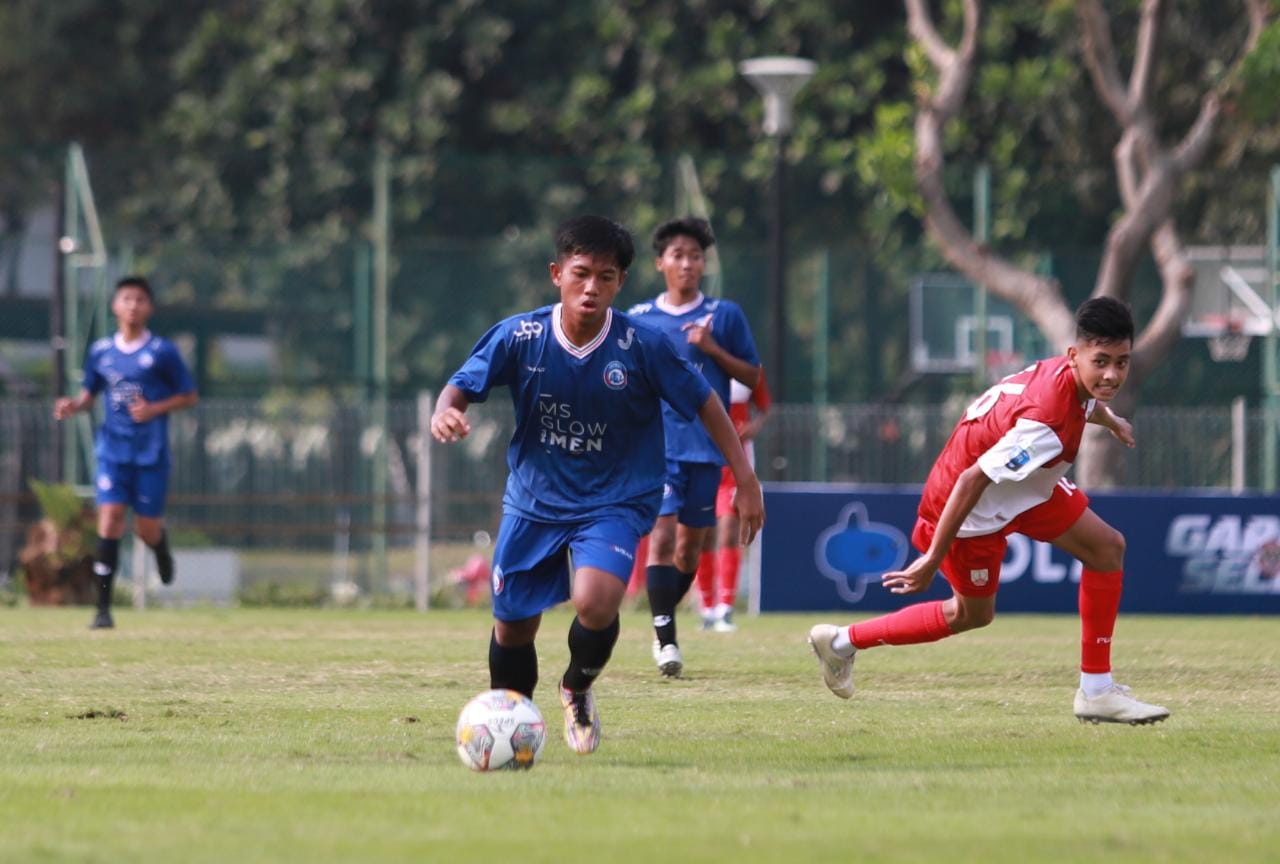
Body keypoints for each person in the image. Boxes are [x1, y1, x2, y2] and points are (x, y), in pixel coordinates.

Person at [431, 215, 763, 755]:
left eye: (605, 277)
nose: (592, 288)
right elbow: (460, 386)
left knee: (597, 600)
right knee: (513, 626)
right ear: (556, 273)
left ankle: (577, 688)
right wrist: (444, 413)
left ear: (620, 283)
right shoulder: (522, 335)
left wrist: (745, 479)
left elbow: (706, 401)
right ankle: (510, 726)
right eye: (581, 274)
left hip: (615, 497)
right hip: (534, 498)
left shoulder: (642, 344)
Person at [809, 297, 1169, 725]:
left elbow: (1085, 402)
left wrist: (1111, 421)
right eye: (1102, 362)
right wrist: (932, 559)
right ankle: (842, 642)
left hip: (1024, 489)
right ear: (1076, 355)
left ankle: (1096, 691)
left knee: (1108, 548)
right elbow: (971, 480)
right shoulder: (1045, 426)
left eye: (1122, 363)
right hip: (970, 512)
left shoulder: (1064, 373)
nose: (1112, 374)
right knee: (971, 615)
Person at [628, 217, 762, 677]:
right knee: (661, 539)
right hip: (659, 449)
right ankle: (666, 638)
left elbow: (752, 378)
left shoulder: (724, 315)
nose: (687, 263)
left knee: (689, 551)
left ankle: (664, 614)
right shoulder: (641, 320)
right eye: (678, 255)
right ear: (660, 263)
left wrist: (713, 348)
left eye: (696, 256)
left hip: (707, 451)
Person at [53, 276, 199, 629]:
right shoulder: (101, 351)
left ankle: (160, 548)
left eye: (140, 300)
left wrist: (153, 409)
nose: (133, 305)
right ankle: (103, 610)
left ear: (149, 308)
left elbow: (189, 395)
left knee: (146, 529)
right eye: (126, 299)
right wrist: (75, 405)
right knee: (111, 518)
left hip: (150, 453)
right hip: (113, 452)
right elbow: (90, 394)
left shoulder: (162, 352)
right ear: (115, 306)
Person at [695, 371, 772, 632]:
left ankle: (725, 608)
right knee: (702, 533)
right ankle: (706, 608)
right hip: (701, 458)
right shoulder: (697, 359)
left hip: (735, 465)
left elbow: (764, 407)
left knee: (728, 530)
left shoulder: (748, 367)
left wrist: (754, 426)